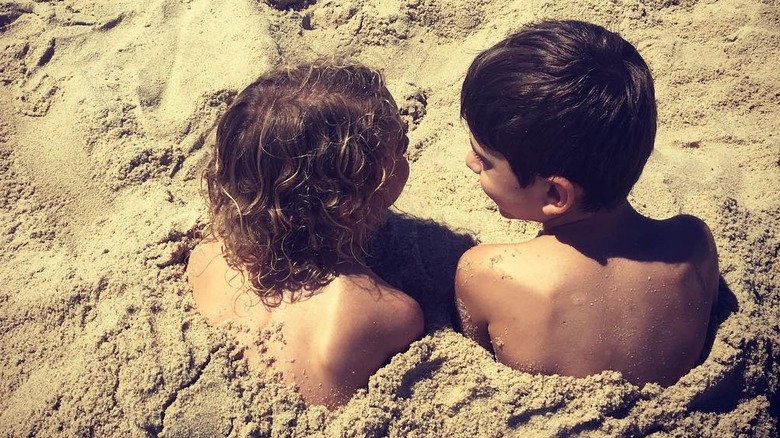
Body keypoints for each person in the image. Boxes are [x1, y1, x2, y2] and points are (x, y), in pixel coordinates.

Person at [455, 20, 719, 387]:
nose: (470, 162)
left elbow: (478, 360)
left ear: (554, 196)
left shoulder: (486, 271)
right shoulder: (693, 244)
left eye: (484, 160)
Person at [186, 63, 424, 408]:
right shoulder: (387, 314)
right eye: (400, 146)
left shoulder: (206, 256)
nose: (405, 155)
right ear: (347, 205)